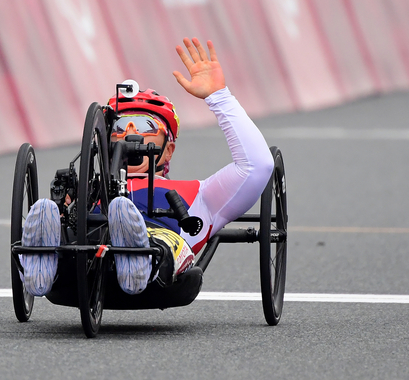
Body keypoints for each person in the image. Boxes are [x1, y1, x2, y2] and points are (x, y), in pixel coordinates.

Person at [20, 38, 274, 296]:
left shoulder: (201, 194)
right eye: (120, 126)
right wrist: (64, 207)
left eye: (144, 126)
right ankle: (41, 269)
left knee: (161, 242)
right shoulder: (88, 190)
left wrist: (219, 97)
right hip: (86, 252)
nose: (130, 132)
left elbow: (258, 166)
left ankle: (138, 257)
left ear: (168, 149)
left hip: (158, 253)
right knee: (54, 218)